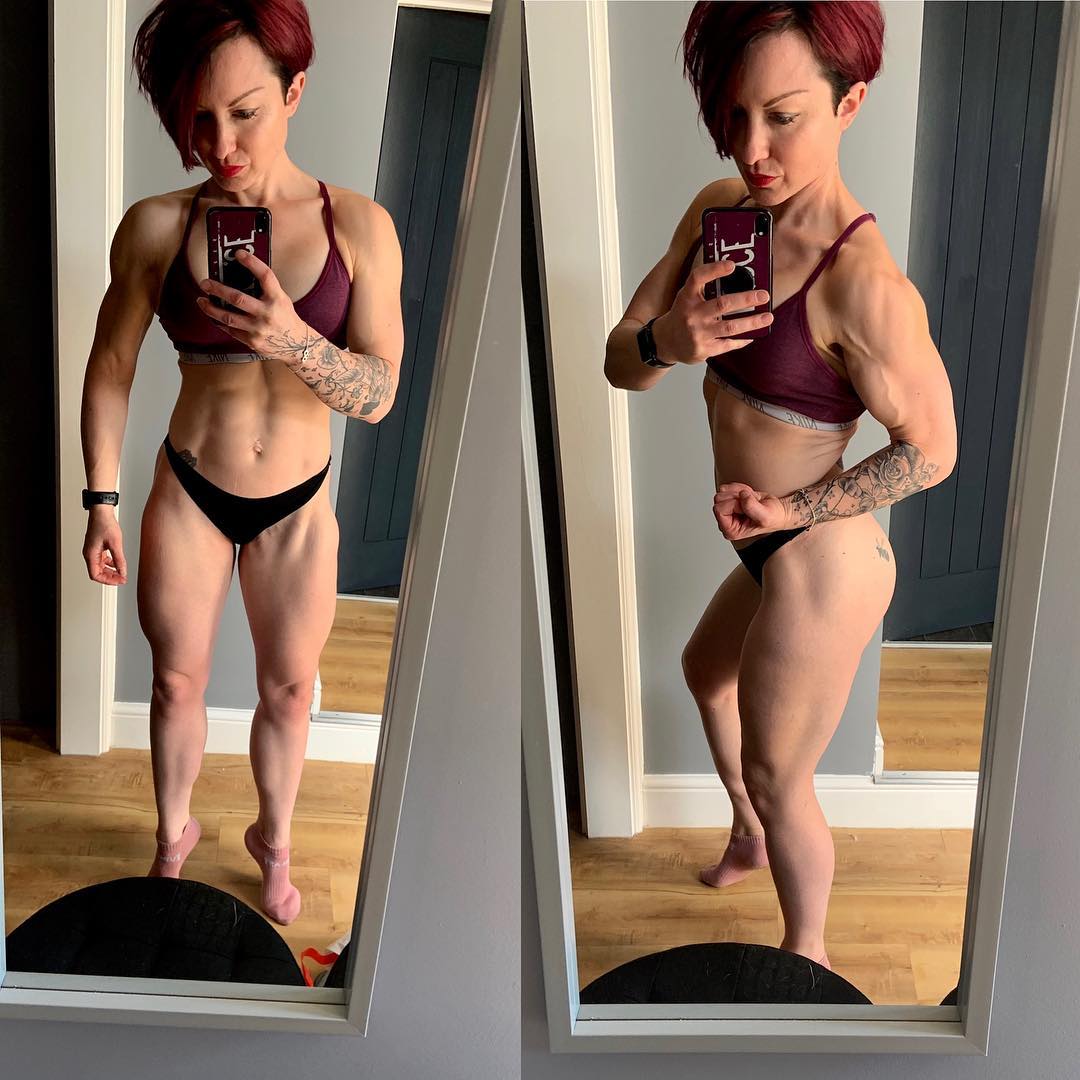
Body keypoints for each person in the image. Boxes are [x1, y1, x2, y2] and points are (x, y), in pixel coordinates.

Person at [604, 1, 957, 968]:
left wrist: (792, 509)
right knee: (702, 674)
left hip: (823, 556)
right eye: (734, 113)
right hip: (767, 540)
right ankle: (750, 833)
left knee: (780, 772)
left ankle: (808, 961)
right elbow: (620, 363)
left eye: (784, 117)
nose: (751, 148)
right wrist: (668, 340)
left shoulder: (866, 284)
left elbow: (933, 451)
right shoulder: (716, 211)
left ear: (851, 104)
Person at [79, 0, 404, 926]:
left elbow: (380, 393)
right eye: (199, 118)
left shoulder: (359, 226)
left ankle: (275, 842)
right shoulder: (156, 226)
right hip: (189, 489)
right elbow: (110, 368)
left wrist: (292, 338)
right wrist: (100, 501)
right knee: (175, 682)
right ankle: (171, 836)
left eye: (245, 112)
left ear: (294, 91)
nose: (219, 144)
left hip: (297, 503)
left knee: (290, 692)